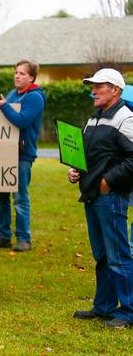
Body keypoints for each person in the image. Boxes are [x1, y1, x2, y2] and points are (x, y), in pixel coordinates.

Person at [69, 68, 133, 329]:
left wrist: (109, 180)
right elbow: (90, 154)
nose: (93, 91)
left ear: (115, 90)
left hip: (112, 195)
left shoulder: (125, 118)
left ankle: (128, 312)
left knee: (118, 255)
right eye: (92, 86)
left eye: (99, 86)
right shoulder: (94, 118)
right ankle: (104, 307)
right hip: (93, 194)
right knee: (103, 255)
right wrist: (77, 169)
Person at [0, 60, 46, 252]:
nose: (17, 76)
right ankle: (3, 236)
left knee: (20, 198)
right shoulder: (12, 94)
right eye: (16, 72)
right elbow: (2, 118)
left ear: (32, 77)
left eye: (22, 73)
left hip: (22, 155)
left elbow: (22, 120)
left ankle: (24, 239)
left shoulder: (35, 97)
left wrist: (4, 106)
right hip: (4, 153)